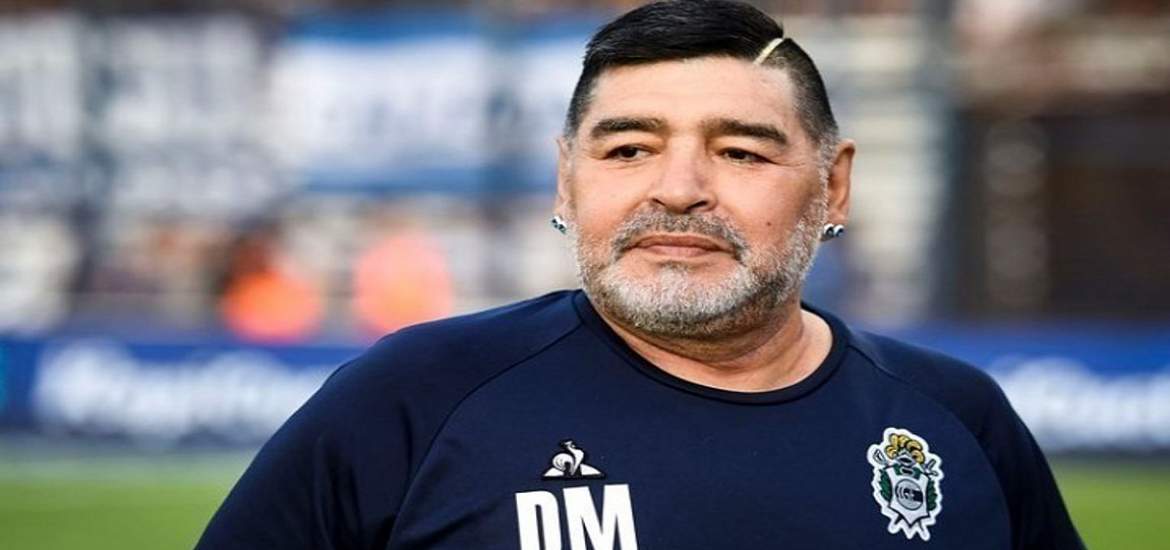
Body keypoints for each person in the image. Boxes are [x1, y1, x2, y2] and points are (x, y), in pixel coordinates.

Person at [196, 1, 1084, 548]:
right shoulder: (413, 399)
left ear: (834, 184)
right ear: (567, 179)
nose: (679, 189)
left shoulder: (956, 420)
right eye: (628, 149)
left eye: (740, 151)